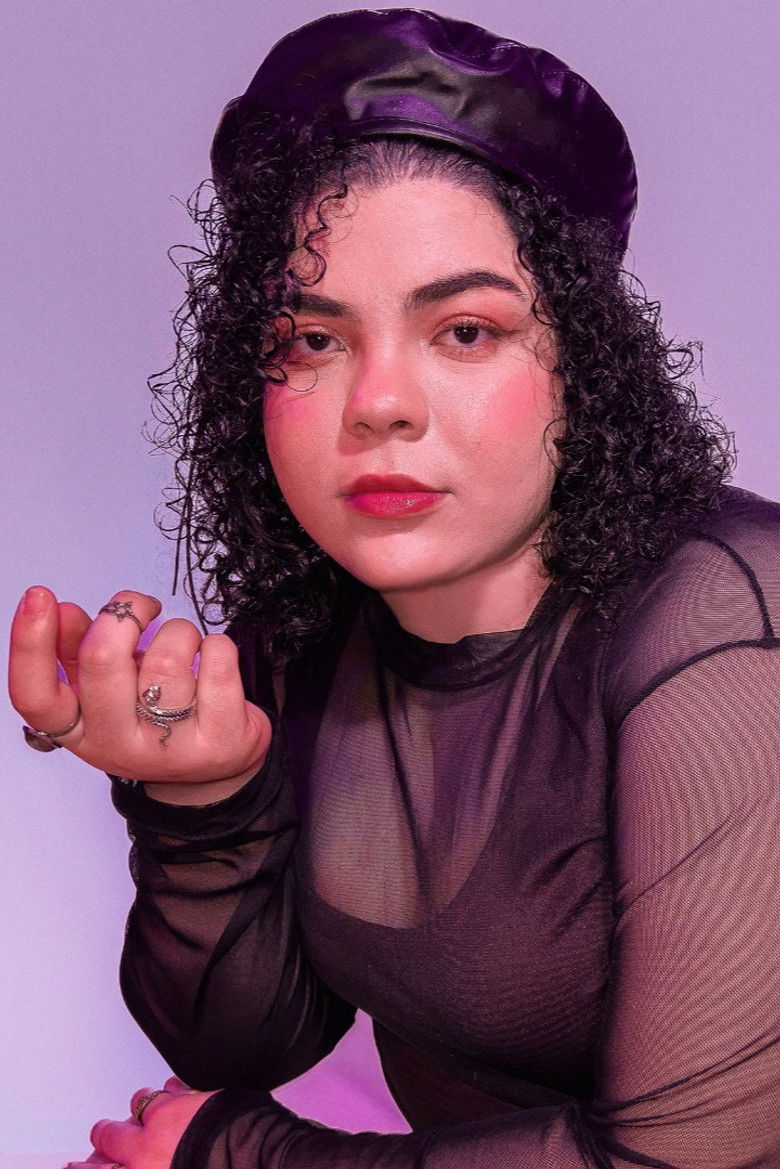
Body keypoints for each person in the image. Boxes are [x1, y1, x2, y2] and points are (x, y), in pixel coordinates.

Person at [9, 8, 780, 1168]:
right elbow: (243, 1043)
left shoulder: (728, 623)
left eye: (464, 330)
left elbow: (694, 1161)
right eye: (313, 340)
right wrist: (200, 802)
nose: (378, 403)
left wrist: (245, 1158)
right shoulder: (311, 623)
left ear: (585, 363)